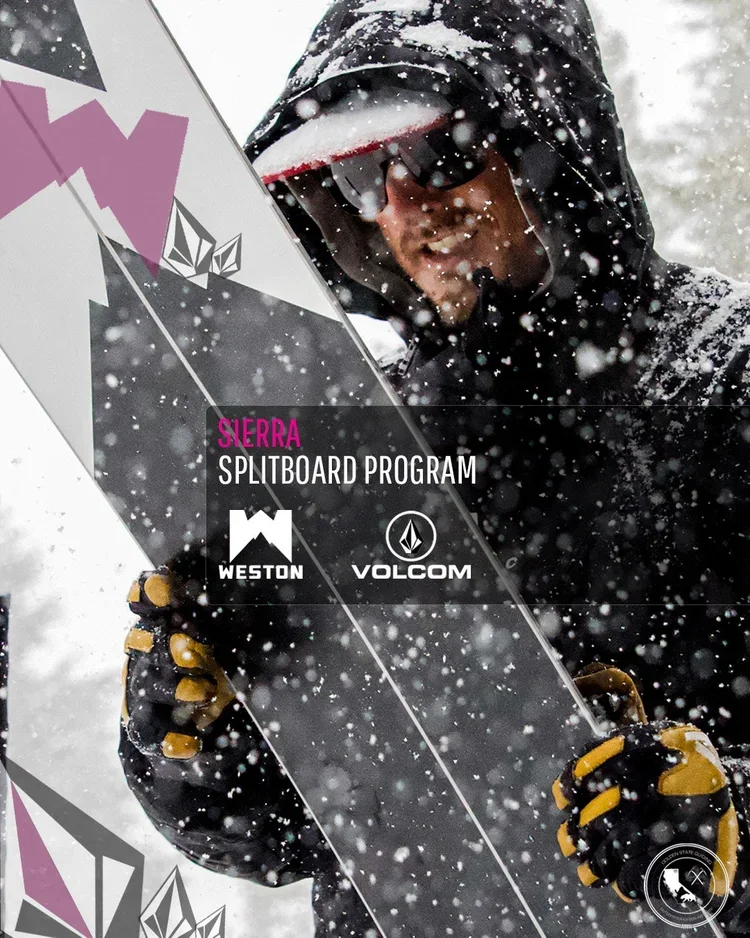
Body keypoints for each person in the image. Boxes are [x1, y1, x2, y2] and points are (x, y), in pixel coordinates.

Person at [119, 0, 750, 933]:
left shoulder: (724, 376)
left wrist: (726, 813)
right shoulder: (344, 446)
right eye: (362, 176)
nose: (409, 207)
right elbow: (277, 834)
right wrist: (193, 740)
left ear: (549, 150)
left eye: (440, 154)